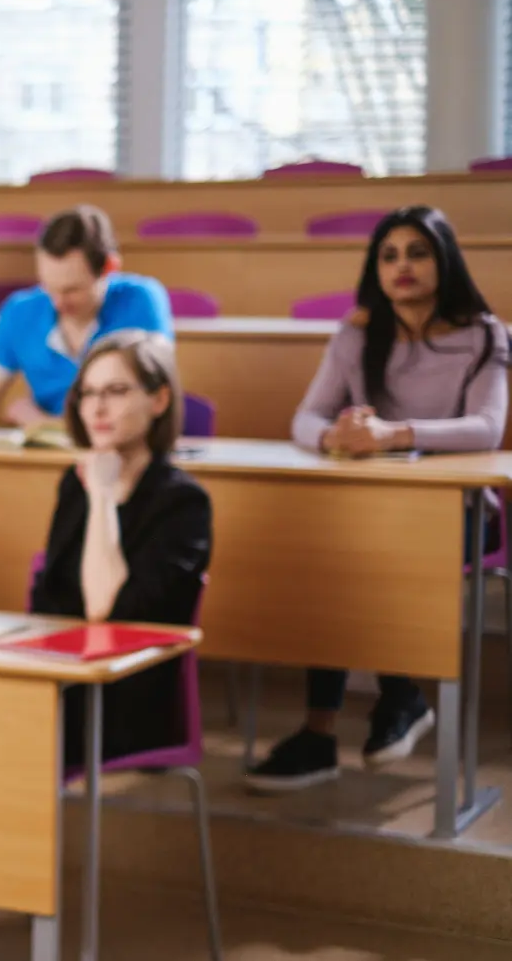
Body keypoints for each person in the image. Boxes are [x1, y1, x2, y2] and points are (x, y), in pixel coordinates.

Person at [245, 205, 509, 794]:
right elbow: (305, 417)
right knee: (331, 555)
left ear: (444, 261)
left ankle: (398, 696)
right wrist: (332, 436)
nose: (402, 266)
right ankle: (330, 731)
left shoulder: (485, 335)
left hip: (463, 511)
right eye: (389, 256)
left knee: (362, 552)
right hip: (370, 506)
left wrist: (398, 433)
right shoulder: (358, 334)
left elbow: (488, 428)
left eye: (416, 252)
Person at [30, 329, 211, 766]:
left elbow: (103, 610)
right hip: (64, 672)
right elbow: (48, 600)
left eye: (115, 391)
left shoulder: (184, 503)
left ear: (159, 400)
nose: (97, 407)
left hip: (130, 695)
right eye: (88, 393)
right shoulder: (74, 485)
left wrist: (103, 496)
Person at [0, 205, 173, 441]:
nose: (58, 302)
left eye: (72, 290)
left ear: (109, 268)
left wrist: (39, 422)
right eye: (49, 287)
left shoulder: (142, 301)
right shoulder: (22, 311)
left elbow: (141, 415)